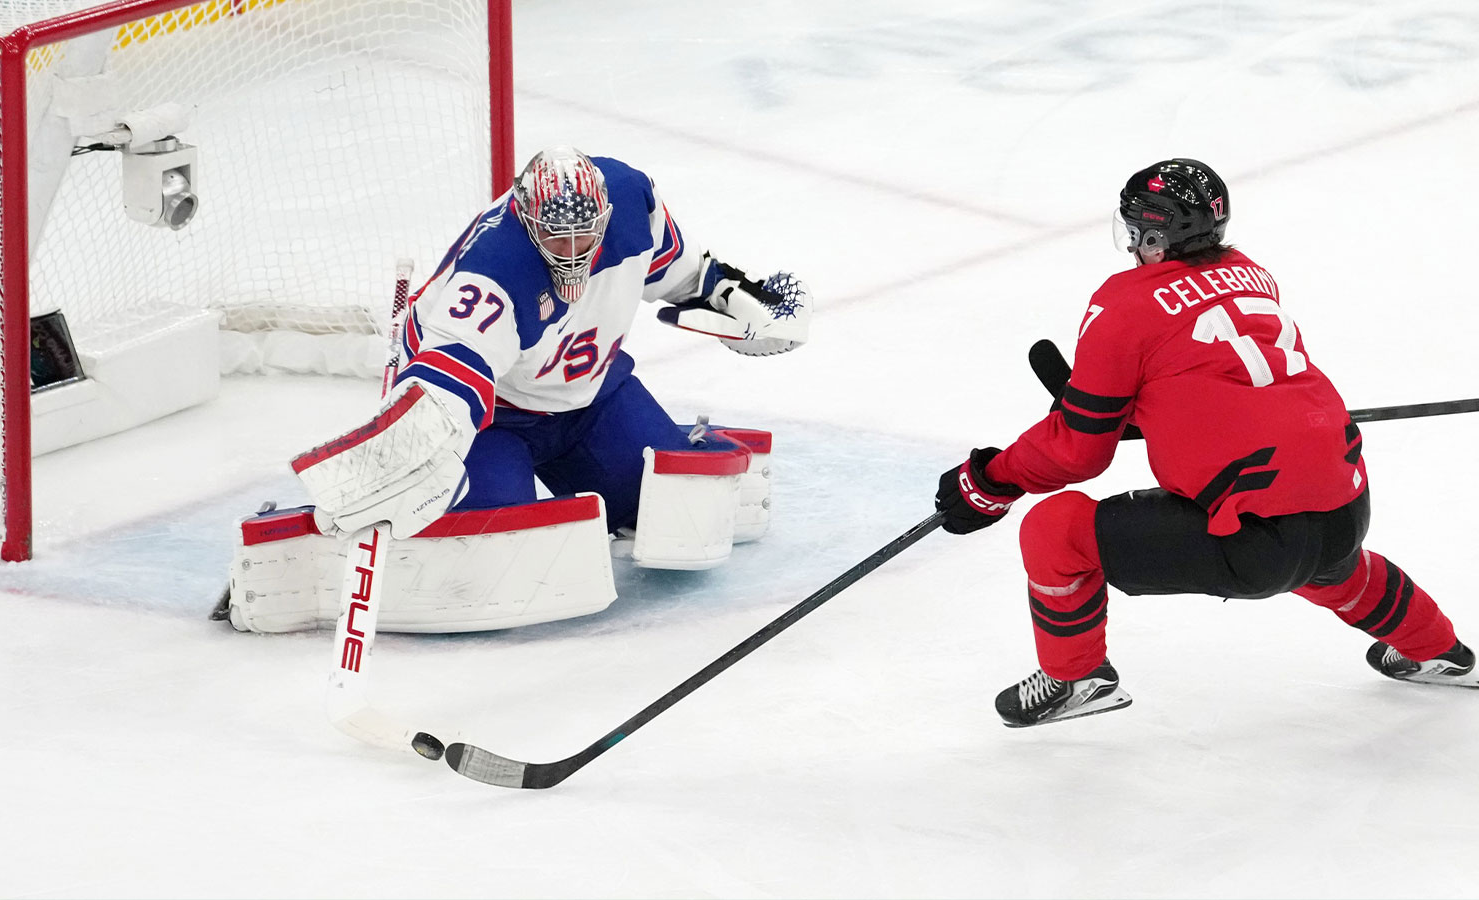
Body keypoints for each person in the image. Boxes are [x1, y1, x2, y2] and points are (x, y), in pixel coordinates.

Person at [933, 158, 1475, 728]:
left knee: (1055, 529)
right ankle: (1439, 650)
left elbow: (1077, 450)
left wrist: (990, 481)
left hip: (1254, 540)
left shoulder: (1124, 303)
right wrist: (1141, 411)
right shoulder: (1253, 274)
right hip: (1346, 507)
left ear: (1151, 234)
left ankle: (1078, 679)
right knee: (1329, 562)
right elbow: (1221, 383)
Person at [221, 146, 809, 634]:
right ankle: (323, 540)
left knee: (667, 510)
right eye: (559, 240)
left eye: (588, 235)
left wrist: (737, 298)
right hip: (491, 419)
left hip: (591, 398)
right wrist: (400, 456)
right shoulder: (492, 275)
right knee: (487, 546)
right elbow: (449, 390)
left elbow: (682, 274)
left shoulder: (632, 200)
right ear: (528, 223)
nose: (576, 251)